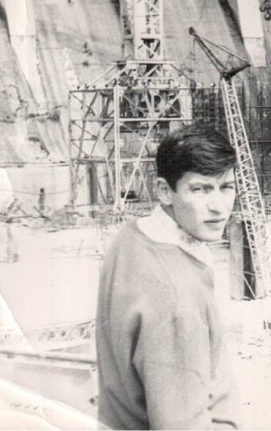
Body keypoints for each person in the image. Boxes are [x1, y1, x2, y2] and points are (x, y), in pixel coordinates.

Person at [96, 123, 242, 430]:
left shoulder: (131, 238)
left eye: (226, 187)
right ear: (164, 191)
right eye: (200, 189)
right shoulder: (177, 297)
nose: (219, 207)